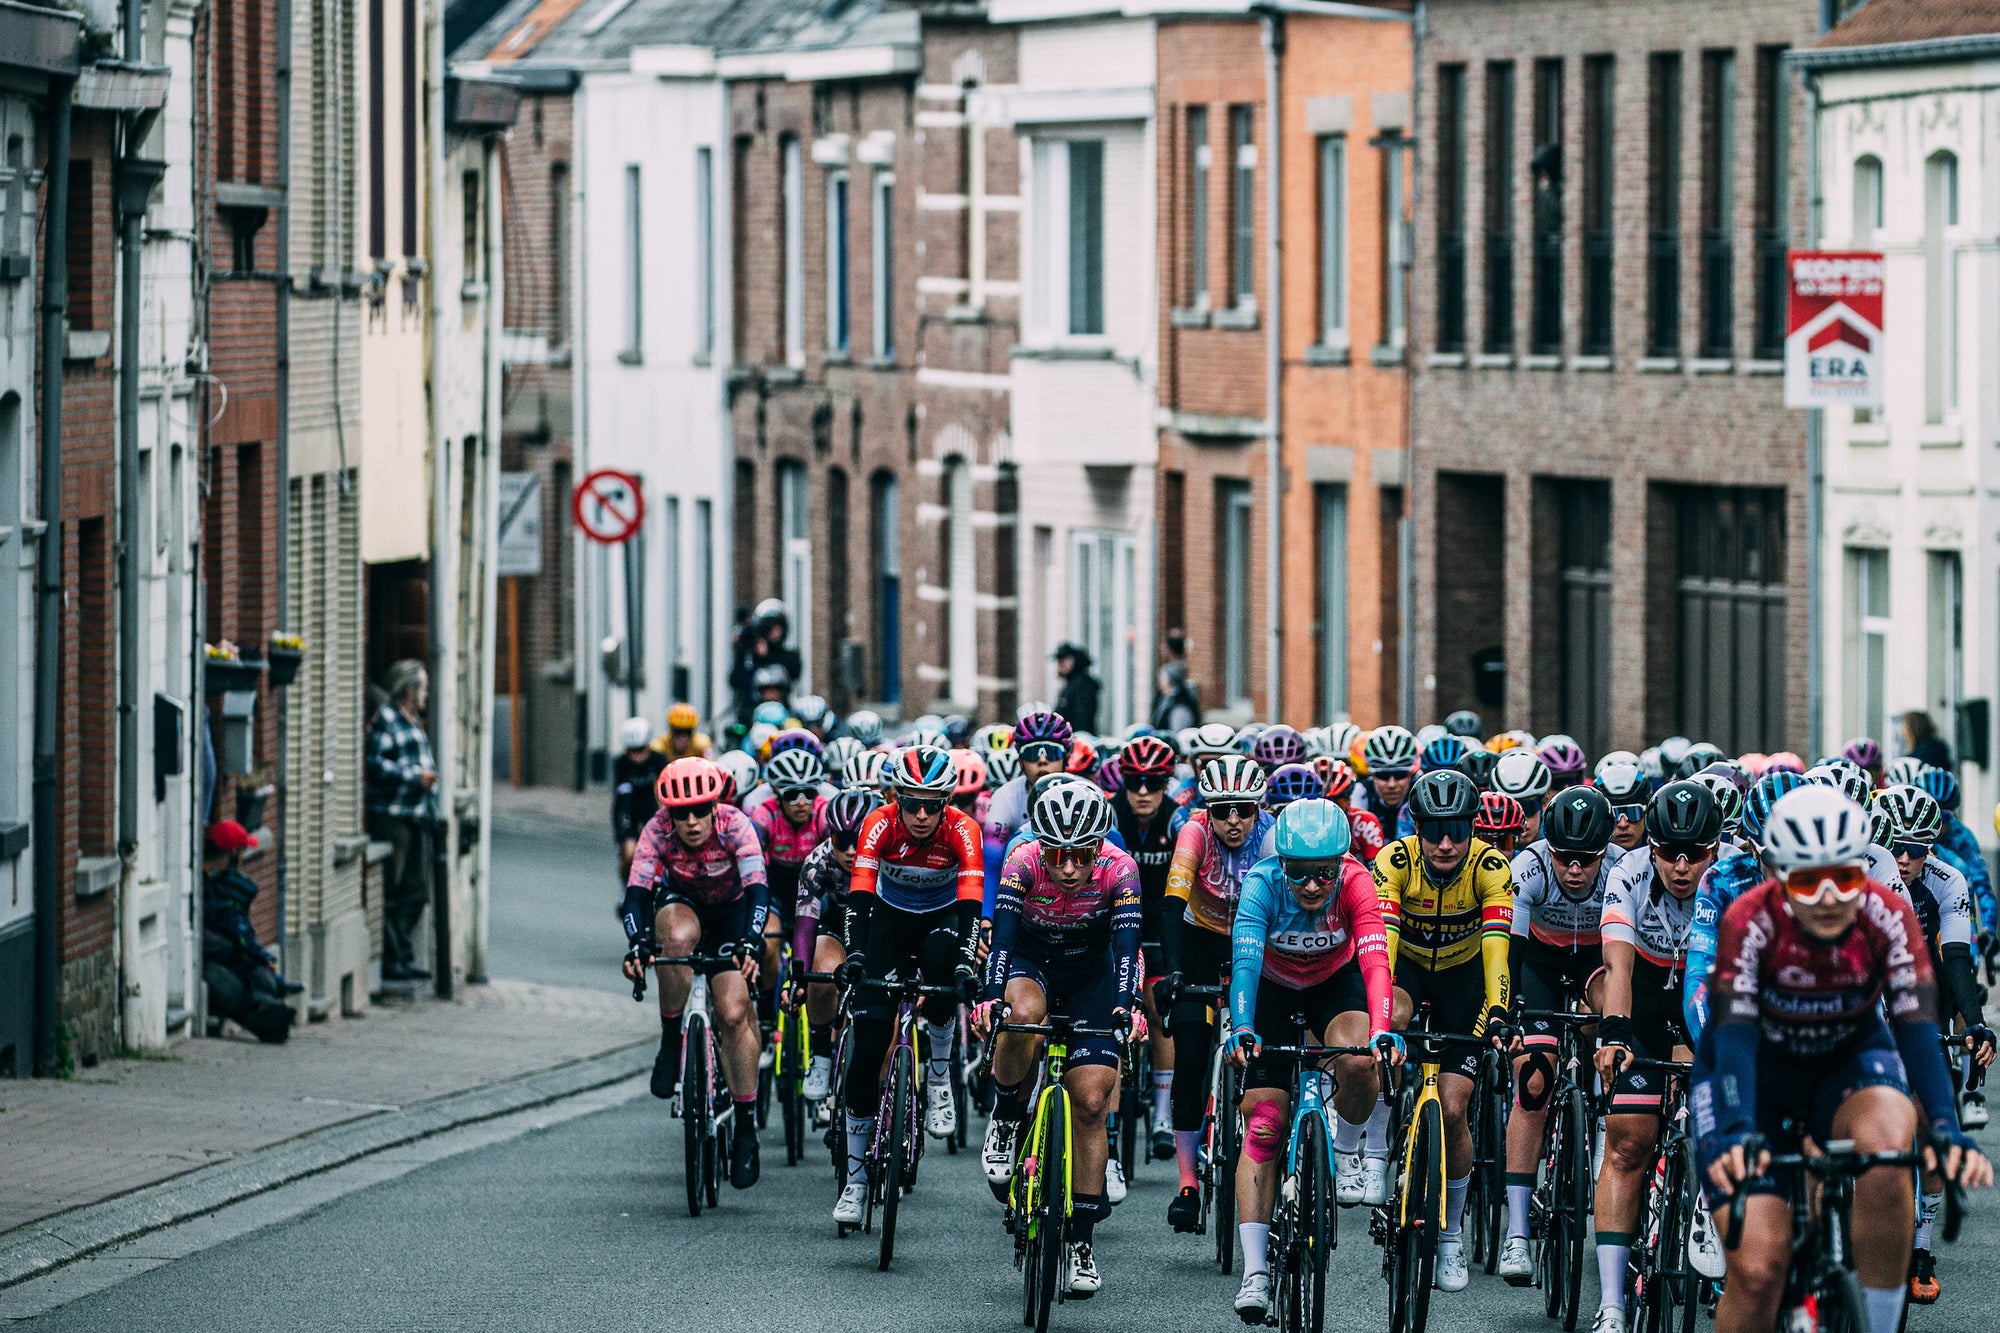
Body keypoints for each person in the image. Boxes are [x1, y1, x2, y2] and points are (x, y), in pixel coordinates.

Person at [1696, 785, 1991, 1333]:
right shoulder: (1748, 918)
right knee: (1760, 1271)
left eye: (1846, 877)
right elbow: (1732, 1039)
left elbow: (1917, 1029)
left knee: (1887, 1151)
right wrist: (1738, 1130)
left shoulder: (1887, 913)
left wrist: (1946, 1128)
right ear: (1774, 872)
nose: (1830, 896)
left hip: (1847, 1060)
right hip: (1754, 1075)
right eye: (1807, 880)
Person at [1226, 799, 1400, 1321]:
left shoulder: (1356, 882)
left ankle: (1346, 1149)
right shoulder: (1261, 884)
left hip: (1331, 983)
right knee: (1262, 1125)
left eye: (1323, 872)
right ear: (1281, 865)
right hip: (1273, 991)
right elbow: (1245, 964)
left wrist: (1384, 1031)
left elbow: (1374, 963)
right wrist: (1242, 1029)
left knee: (1360, 1060)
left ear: (1341, 863)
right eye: (1299, 873)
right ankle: (1255, 1272)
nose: (1310, 885)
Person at [975, 781, 1142, 1298]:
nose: (1069, 868)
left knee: (1091, 1100)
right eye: (1058, 855)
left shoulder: (1121, 868)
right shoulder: (1022, 861)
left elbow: (1127, 946)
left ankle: (1081, 1243)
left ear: (1099, 846)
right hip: (1032, 961)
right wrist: (989, 998)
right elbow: (1000, 940)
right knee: (1020, 1013)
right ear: (1040, 846)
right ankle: (1005, 1116)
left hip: (1092, 972)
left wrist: (1126, 1007)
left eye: (1080, 855)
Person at [1373, 768, 1515, 1294]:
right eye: (1434, 829)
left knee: (1455, 1108)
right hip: (1407, 972)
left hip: (1465, 982)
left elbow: (1498, 949)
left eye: (1458, 828)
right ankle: (1372, 1144)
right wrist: (1382, 1015)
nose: (1447, 843)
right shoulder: (1395, 860)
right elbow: (1382, 949)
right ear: (1416, 826)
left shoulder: (1490, 867)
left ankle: (1451, 1233)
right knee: (1394, 1022)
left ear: (1473, 827)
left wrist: (1498, 1010)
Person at [832, 745, 985, 1225]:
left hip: (942, 921)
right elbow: (858, 899)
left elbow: (970, 910)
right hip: (888, 925)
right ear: (895, 796)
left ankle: (940, 1075)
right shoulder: (879, 823)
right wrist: (855, 954)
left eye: (932, 803)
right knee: (868, 1046)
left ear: (947, 801)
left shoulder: (964, 830)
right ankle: (856, 1182)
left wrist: (965, 963)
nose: (921, 814)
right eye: (911, 801)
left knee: (944, 963)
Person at [1589, 780, 1716, 1333]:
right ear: (1652, 847)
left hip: (1706, 997)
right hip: (1641, 1000)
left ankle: (1710, 1208)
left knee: (1717, 1123)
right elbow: (1618, 967)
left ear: (1717, 848)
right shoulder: (1628, 874)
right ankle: (1613, 1303)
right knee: (1627, 1144)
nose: (1681, 866)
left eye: (1696, 854)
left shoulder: (1731, 876)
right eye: (1668, 852)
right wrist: (1614, 1033)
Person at [620, 757, 770, 1190]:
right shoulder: (657, 830)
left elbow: (759, 891)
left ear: (714, 805)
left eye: (699, 810)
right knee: (677, 941)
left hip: (732, 912)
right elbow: (635, 897)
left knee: (733, 1013)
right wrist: (638, 943)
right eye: (680, 813)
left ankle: (744, 1128)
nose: (690, 822)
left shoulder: (736, 825)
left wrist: (750, 942)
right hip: (680, 903)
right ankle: (671, 1044)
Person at [1498, 786, 1625, 1284]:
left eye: (1585, 860)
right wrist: (1504, 1013)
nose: (1574, 870)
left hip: (1597, 955)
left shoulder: (1622, 868)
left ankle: (1603, 1120)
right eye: (1564, 858)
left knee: (1610, 1021)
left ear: (1603, 854)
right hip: (1541, 963)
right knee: (1533, 1084)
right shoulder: (1527, 867)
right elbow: (1511, 950)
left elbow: (1622, 963)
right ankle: (1517, 1233)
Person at [1159, 754, 1279, 1231]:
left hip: (1258, 943)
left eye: (1243, 810)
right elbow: (1170, 908)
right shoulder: (1194, 833)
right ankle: (1188, 1181)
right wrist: (1172, 973)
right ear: (1208, 810)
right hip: (1199, 944)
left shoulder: (1272, 835)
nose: (1233, 820)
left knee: (1269, 1049)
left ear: (1258, 810)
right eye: (1223, 810)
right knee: (1190, 1051)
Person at [1114, 734, 1186, 1163]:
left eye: (1154, 783)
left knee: (1161, 1009)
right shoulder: (1109, 815)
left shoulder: (1178, 822)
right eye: (1135, 782)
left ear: (1166, 784)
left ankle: (1162, 1114)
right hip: (1115, 919)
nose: (1143, 792)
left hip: (1162, 923)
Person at [786, 789, 883, 1102]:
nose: (853, 850)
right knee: (823, 970)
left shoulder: (894, 857)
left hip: (882, 931)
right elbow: (805, 922)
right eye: (843, 840)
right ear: (830, 837)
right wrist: (797, 977)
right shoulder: (818, 861)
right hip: (837, 926)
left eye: (861, 838)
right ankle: (821, 1053)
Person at [365, 659, 439, 983]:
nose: (426, 694)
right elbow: (375, 762)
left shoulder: (413, 721)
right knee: (392, 891)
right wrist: (414, 777)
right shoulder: (388, 719)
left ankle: (402, 954)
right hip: (393, 816)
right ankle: (396, 959)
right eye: (422, 686)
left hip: (416, 816)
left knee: (417, 891)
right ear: (408, 688)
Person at [202, 821, 298, 1043]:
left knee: (256, 970)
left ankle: (270, 1005)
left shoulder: (223, 882)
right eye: (244, 849)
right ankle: (268, 1013)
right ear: (234, 852)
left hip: (229, 954)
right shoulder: (223, 887)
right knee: (236, 988)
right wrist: (248, 952)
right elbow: (235, 931)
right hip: (215, 956)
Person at [614, 717, 668, 884]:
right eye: (633, 751)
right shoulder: (621, 763)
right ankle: (625, 888)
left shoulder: (658, 760)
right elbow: (623, 796)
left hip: (651, 808)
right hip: (628, 809)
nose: (637, 756)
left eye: (641, 749)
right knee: (630, 853)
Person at [1053, 643, 1102, 736]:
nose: (1059, 666)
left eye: (1061, 661)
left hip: (1078, 738)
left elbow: (1082, 718)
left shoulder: (1082, 685)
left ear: (1070, 661)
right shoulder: (1072, 684)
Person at [1151, 661, 1200, 733]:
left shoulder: (1180, 705)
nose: (1159, 681)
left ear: (1170, 680)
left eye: (1162, 678)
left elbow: (1178, 733)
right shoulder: (1164, 698)